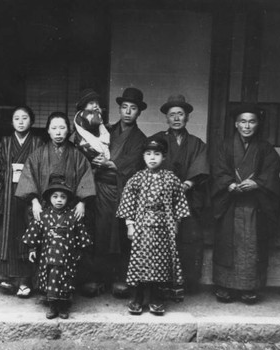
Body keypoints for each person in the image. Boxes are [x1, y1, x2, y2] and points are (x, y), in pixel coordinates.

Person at [80, 87, 148, 297]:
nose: (128, 112)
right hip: (100, 188)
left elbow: (135, 162)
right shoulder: (105, 130)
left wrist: (110, 163)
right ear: (119, 109)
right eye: (124, 107)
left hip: (123, 191)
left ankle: (120, 278)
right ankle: (97, 278)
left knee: (119, 234)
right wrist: (95, 159)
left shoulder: (140, 138)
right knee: (98, 233)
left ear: (139, 112)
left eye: (133, 108)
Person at [212, 104, 280, 304]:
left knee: (252, 246)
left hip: (255, 206)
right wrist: (229, 184)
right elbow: (218, 171)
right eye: (242, 121)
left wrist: (257, 183)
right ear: (236, 124)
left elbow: (272, 173)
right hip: (230, 206)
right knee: (227, 244)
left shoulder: (266, 149)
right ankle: (225, 286)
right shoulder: (225, 146)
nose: (247, 126)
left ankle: (250, 288)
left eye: (252, 121)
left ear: (257, 124)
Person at [116, 138, 190, 315]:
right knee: (140, 261)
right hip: (142, 226)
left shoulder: (171, 178)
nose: (152, 158)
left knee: (160, 264)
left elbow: (179, 201)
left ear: (164, 157)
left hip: (163, 227)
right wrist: (130, 225)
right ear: (143, 156)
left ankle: (156, 298)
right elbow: (128, 201)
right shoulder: (137, 178)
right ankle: (138, 298)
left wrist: (176, 223)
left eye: (157, 154)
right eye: (148, 154)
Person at [150, 95, 209, 300]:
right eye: (172, 114)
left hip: (188, 198)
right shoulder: (157, 140)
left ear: (187, 118)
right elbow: (149, 165)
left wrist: (188, 183)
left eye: (180, 114)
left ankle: (187, 283)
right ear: (166, 117)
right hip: (161, 199)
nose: (176, 118)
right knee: (161, 240)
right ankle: (161, 284)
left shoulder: (196, 143)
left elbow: (201, 168)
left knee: (188, 240)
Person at [0, 105, 44, 298]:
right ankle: (11, 278)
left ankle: (25, 280)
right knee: (9, 233)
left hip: (30, 194)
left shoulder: (38, 142)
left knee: (27, 232)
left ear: (32, 120)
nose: (21, 122)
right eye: (16, 118)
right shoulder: (4, 142)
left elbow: (41, 169)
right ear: (11, 122)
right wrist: (0, 189)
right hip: (9, 192)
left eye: (24, 118)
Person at [22, 174, 92, 319]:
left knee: (66, 280)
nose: (59, 200)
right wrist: (32, 249)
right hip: (49, 256)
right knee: (50, 279)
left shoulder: (73, 216)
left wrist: (80, 250)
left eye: (62, 197)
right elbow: (34, 233)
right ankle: (53, 307)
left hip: (67, 257)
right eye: (55, 196)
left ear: (67, 199)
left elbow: (81, 234)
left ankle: (64, 306)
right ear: (49, 198)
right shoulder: (44, 216)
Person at [15, 111, 96, 224]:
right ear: (48, 130)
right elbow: (28, 179)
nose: (58, 132)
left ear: (68, 129)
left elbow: (85, 179)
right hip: (43, 208)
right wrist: (34, 202)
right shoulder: (37, 155)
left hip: (70, 209)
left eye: (62, 128)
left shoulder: (77, 156)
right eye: (53, 128)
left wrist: (82, 203)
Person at [72, 88, 110, 162]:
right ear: (84, 106)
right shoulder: (83, 114)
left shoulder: (89, 113)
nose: (95, 105)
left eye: (96, 103)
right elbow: (95, 122)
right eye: (91, 103)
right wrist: (98, 113)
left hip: (90, 141)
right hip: (84, 143)